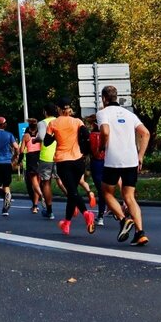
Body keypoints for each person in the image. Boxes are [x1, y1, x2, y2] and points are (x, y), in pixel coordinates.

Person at [96, 86, 151, 247]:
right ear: (116, 97)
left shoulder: (103, 113)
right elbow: (146, 133)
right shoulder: (129, 114)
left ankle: (123, 220)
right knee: (129, 197)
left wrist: (102, 146)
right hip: (131, 160)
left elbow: (105, 131)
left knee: (107, 192)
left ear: (104, 98)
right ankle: (140, 233)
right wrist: (140, 156)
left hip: (113, 160)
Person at [46, 101, 96, 235]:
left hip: (63, 161)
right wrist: (85, 151)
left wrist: (55, 136)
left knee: (72, 191)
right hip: (78, 161)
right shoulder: (77, 121)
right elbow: (87, 137)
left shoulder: (53, 123)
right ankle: (66, 223)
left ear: (58, 108)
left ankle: (86, 214)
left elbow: (46, 142)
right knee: (72, 191)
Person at [35, 106, 59, 219]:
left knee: (46, 183)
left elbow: (41, 136)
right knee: (62, 181)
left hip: (46, 156)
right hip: (60, 155)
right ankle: (73, 202)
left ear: (45, 112)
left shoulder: (42, 123)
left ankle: (49, 211)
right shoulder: (59, 121)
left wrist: (35, 140)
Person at [20, 120, 43, 213]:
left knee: (34, 183)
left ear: (29, 127)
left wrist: (19, 160)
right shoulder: (40, 135)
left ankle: (41, 196)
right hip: (40, 157)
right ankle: (35, 206)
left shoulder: (26, 136)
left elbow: (21, 150)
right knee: (38, 181)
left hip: (31, 158)